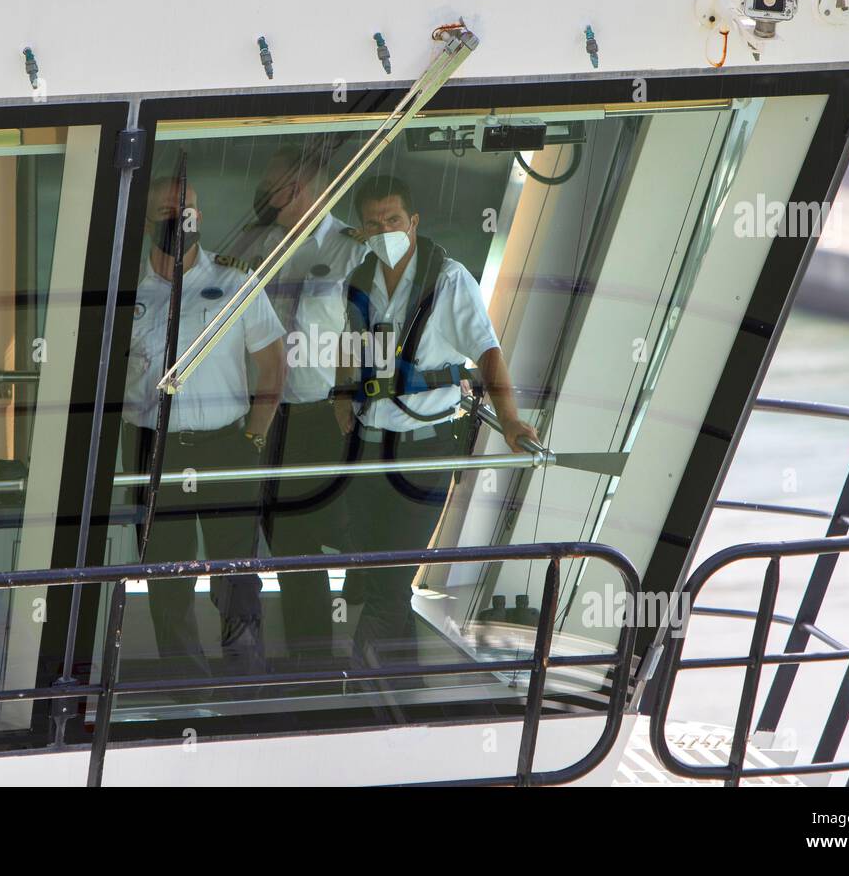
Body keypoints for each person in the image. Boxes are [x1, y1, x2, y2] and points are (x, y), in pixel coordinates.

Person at [332, 174, 539, 668]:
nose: (384, 229)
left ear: (414, 222)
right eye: (374, 222)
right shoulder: (361, 278)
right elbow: (352, 342)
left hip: (422, 449)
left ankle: (357, 675)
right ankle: (405, 681)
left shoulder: (448, 279)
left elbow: (487, 351)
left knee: (388, 575)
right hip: (367, 443)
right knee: (368, 561)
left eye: (394, 220)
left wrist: (508, 419)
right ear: (362, 230)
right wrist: (341, 393)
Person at [121, 175, 286, 679]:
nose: (179, 217)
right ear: (148, 217)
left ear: (201, 215)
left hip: (225, 444)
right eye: (169, 209)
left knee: (236, 573)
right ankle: (182, 685)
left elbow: (274, 365)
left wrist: (254, 436)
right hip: (153, 449)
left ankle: (243, 678)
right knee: (165, 573)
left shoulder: (237, 282)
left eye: (187, 207)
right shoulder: (123, 288)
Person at [232, 144, 369, 669]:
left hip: (316, 415)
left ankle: (313, 659)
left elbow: (363, 331)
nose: (262, 197)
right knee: (259, 533)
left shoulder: (349, 250)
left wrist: (346, 397)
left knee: (306, 541)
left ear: (301, 190)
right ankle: (251, 651)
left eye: (272, 188)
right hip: (258, 412)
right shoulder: (258, 247)